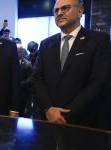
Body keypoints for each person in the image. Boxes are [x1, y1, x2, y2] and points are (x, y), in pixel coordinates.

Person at [32, 0, 111, 129]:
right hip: (48, 120)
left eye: (65, 8)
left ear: (80, 11)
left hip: (84, 122)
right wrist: (48, 108)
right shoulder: (46, 44)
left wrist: (67, 113)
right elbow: (37, 79)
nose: (59, 13)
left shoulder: (99, 41)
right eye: (56, 10)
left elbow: (99, 82)